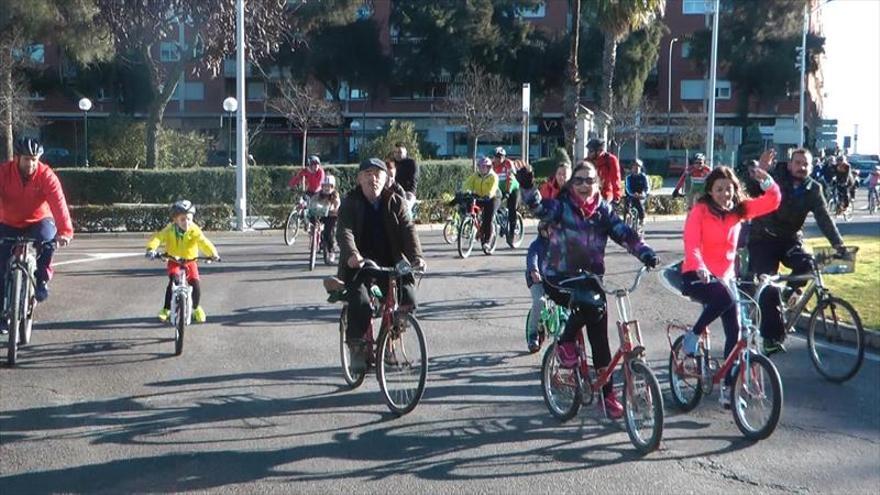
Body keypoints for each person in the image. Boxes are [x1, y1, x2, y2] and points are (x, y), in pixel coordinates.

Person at [516, 162, 659, 420]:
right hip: (559, 279)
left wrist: (646, 253)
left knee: (600, 339)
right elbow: (539, 207)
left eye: (589, 180)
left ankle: (608, 396)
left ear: (598, 185)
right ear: (572, 185)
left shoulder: (603, 212)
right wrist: (527, 187)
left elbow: (625, 233)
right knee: (586, 304)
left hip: (591, 282)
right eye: (579, 180)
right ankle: (565, 341)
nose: (584, 185)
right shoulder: (561, 208)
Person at [679, 162, 781, 408]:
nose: (725, 194)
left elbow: (772, 201)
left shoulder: (739, 211)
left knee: (735, 334)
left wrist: (765, 179)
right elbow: (691, 242)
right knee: (725, 298)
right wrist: (700, 265)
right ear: (710, 191)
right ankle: (692, 336)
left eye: (729, 189)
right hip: (696, 274)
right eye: (719, 189)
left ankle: (727, 388)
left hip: (725, 278)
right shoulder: (700, 211)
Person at [747, 148, 846, 355]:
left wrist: (839, 245)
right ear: (790, 164)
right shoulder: (775, 177)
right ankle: (771, 338)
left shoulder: (813, 189)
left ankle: (789, 293)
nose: (801, 167)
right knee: (769, 286)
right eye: (798, 163)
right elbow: (753, 191)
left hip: (790, 239)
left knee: (809, 264)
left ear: (811, 167)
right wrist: (761, 171)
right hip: (763, 238)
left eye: (805, 164)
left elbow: (824, 219)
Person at [335, 157, 426, 372]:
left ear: (386, 178)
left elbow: (408, 230)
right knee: (361, 301)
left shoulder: (396, 202)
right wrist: (352, 254)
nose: (373, 179)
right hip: (360, 265)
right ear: (359, 179)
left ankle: (388, 341)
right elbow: (344, 232)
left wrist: (416, 257)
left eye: (377, 174)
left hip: (390, 262)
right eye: (367, 174)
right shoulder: (350, 202)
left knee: (408, 299)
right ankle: (358, 349)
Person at [0, 138, 73, 333]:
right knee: (1, 265)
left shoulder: (46, 175)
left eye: (34, 159)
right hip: (8, 221)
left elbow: (58, 203)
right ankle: (2, 314)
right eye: (26, 159)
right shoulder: (4, 173)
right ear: (17, 158)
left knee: (48, 241)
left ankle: (41, 280)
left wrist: (65, 231)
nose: (30, 164)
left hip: (38, 220)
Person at [145, 200, 220, 323]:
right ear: (175, 219)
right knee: (173, 281)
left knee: (196, 285)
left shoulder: (194, 230)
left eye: (189, 219)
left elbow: (203, 242)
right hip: (174, 260)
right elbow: (158, 237)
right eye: (183, 219)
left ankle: (196, 308)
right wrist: (151, 248)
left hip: (190, 261)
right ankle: (166, 309)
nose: (187, 222)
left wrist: (213, 254)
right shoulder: (169, 229)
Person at [463, 156, 500, 252]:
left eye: (484, 167)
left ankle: (487, 241)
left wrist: (489, 195)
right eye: (480, 166)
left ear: (489, 167)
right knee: (470, 206)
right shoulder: (476, 175)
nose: (482, 169)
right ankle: (473, 225)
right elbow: (467, 183)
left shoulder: (493, 176)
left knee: (488, 219)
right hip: (479, 196)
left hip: (493, 198)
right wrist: (465, 190)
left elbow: (493, 188)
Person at [525, 221, 551, 353]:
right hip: (537, 281)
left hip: (553, 281)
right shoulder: (536, 245)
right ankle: (533, 334)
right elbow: (532, 259)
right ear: (542, 231)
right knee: (539, 301)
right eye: (548, 230)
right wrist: (534, 271)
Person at [311, 174, 341, 263]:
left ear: (333, 187)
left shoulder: (335, 195)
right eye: (324, 186)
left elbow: (337, 204)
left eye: (329, 186)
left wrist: (333, 208)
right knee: (312, 219)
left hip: (331, 216)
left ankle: (331, 251)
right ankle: (315, 237)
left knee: (329, 233)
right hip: (320, 215)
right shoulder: (319, 194)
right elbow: (312, 201)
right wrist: (311, 206)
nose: (326, 188)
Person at [586, 139, 622, 205]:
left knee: (604, 209)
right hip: (590, 193)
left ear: (599, 151)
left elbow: (615, 179)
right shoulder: (586, 161)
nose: (588, 153)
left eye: (591, 151)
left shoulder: (610, 160)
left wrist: (617, 196)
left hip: (606, 193)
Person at [624, 159, 650, 223]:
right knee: (627, 203)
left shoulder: (644, 177)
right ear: (632, 168)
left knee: (638, 201)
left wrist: (643, 193)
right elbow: (628, 188)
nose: (636, 168)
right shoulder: (628, 178)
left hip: (641, 196)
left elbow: (647, 187)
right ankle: (627, 217)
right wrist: (632, 194)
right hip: (631, 195)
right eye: (634, 167)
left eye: (638, 167)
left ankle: (642, 218)